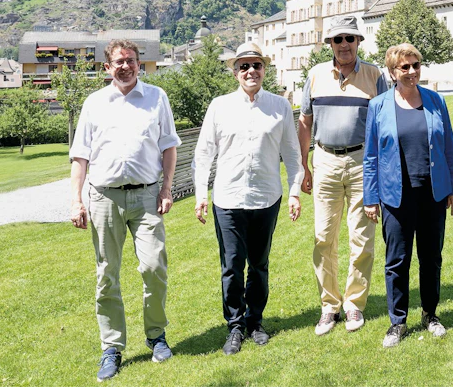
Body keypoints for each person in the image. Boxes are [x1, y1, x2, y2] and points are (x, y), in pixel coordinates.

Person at [69, 38, 181, 382]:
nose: (125, 66)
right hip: (104, 198)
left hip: (147, 197)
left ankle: (156, 337)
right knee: (107, 275)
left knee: (153, 267)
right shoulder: (94, 103)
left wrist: (165, 188)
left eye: (131, 60)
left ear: (139, 63)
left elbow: (168, 146)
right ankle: (112, 348)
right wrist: (76, 199)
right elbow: (80, 155)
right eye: (118, 61)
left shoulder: (156, 98)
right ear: (107, 67)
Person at [193, 42, 304, 355]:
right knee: (231, 266)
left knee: (259, 264)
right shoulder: (219, 106)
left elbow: (292, 154)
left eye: (256, 65)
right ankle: (235, 325)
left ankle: (255, 321)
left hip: (267, 197)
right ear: (235, 72)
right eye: (244, 66)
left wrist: (294, 191)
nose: (251, 71)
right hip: (227, 199)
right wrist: (201, 193)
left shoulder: (279, 106)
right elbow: (204, 154)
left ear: (264, 69)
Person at [363, 43, 453, 348]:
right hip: (396, 196)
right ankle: (397, 321)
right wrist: (370, 197)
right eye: (404, 67)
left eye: (415, 65)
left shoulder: (435, 102)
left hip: (433, 193)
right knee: (397, 260)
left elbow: (449, 149)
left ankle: (430, 314)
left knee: (431, 257)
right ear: (392, 72)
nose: (411, 72)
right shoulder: (378, 106)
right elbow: (370, 156)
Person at [299, 15, 388, 335]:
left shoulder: (375, 75)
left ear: (358, 42)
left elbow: (383, 125)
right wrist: (303, 166)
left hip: (363, 162)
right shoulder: (315, 75)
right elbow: (305, 123)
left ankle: (353, 304)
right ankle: (329, 305)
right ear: (330, 45)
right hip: (324, 161)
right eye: (338, 39)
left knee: (361, 239)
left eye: (350, 38)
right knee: (324, 237)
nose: (344, 45)